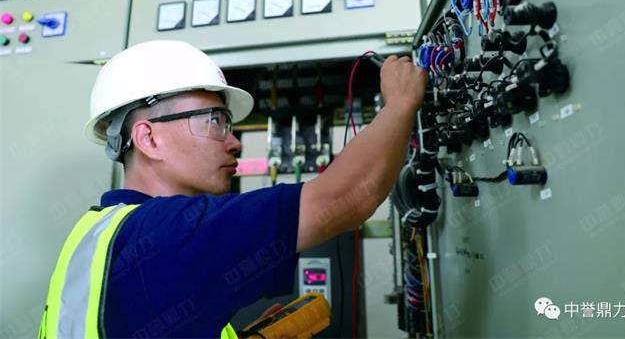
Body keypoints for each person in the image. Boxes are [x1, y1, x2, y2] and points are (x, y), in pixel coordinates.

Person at [39, 40, 428, 339]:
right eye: (214, 122)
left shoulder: (97, 232)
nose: (234, 142)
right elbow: (349, 196)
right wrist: (400, 103)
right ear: (149, 139)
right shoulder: (170, 232)